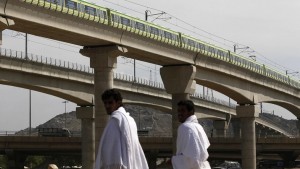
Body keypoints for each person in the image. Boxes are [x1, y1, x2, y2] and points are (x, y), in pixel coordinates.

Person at [94, 88, 149, 169]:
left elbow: (110, 153)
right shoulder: (130, 120)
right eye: (105, 103)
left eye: (110, 102)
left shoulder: (115, 121)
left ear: (118, 102)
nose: (107, 106)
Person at [172, 100, 211, 169]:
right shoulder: (199, 126)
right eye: (178, 111)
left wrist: (173, 161)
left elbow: (193, 158)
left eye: (183, 111)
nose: (179, 113)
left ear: (191, 112)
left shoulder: (185, 127)